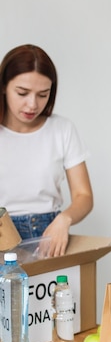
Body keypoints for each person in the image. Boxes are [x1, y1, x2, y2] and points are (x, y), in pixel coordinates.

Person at [0, 44, 93, 257]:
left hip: (50, 234)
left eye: (43, 94)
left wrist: (64, 219)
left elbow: (84, 195)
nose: (32, 104)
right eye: (22, 93)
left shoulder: (62, 129)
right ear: (4, 86)